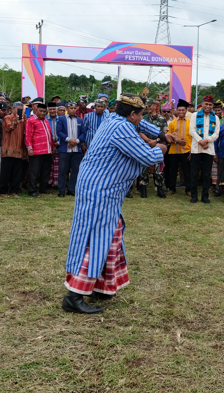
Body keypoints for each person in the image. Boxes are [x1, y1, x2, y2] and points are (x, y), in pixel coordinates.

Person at [61, 91, 168, 314]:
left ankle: (101, 286)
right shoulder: (121, 128)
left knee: (113, 232)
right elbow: (147, 157)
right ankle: (74, 296)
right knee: (94, 237)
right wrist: (161, 148)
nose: (142, 119)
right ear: (131, 114)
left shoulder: (113, 118)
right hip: (101, 190)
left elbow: (143, 126)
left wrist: (160, 132)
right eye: (140, 115)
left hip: (100, 188)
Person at [188, 95, 221, 204]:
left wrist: (206, 140)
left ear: (212, 106)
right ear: (202, 104)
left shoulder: (215, 118)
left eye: (210, 104)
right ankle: (194, 196)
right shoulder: (195, 115)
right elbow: (192, 131)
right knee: (194, 173)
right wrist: (201, 141)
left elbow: (216, 134)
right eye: (206, 104)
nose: (208, 106)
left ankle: (205, 196)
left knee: (207, 174)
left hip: (209, 149)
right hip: (196, 148)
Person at [137, 100, 168, 198]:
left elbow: (165, 133)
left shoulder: (162, 119)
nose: (148, 107)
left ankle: (159, 189)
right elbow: (140, 132)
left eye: (150, 105)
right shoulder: (143, 118)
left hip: (158, 145)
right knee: (144, 168)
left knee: (159, 168)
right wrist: (148, 140)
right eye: (147, 106)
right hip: (146, 145)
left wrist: (157, 140)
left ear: (155, 106)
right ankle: (143, 189)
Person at [25, 100, 53, 197]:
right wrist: (30, 148)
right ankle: (32, 190)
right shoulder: (31, 120)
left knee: (45, 171)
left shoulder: (46, 121)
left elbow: (50, 135)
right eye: (40, 111)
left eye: (44, 112)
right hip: (36, 151)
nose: (42, 113)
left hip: (47, 150)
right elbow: (28, 136)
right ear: (36, 110)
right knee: (34, 172)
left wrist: (52, 147)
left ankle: (43, 188)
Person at [57, 103, 85, 197]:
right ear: (66, 109)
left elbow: (83, 133)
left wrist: (76, 141)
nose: (73, 110)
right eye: (71, 108)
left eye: (74, 108)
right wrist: (69, 140)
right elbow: (59, 132)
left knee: (76, 170)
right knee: (62, 170)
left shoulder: (80, 120)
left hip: (77, 149)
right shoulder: (61, 119)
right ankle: (61, 189)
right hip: (65, 148)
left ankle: (72, 189)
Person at [0, 102, 27, 198]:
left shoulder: (24, 119)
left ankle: (14, 191)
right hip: (8, 149)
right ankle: (3, 191)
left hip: (19, 149)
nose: (18, 110)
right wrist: (16, 120)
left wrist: (24, 117)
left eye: (20, 109)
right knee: (5, 172)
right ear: (12, 109)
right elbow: (9, 127)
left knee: (17, 173)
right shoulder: (7, 118)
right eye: (17, 109)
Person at [164, 100, 191, 195]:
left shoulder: (191, 123)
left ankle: (188, 189)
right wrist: (177, 140)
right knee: (173, 171)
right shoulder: (172, 123)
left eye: (183, 110)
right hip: (173, 150)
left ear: (186, 110)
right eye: (179, 110)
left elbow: (193, 137)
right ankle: (172, 188)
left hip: (186, 150)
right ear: (176, 111)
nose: (181, 112)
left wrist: (191, 151)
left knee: (187, 171)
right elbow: (168, 136)